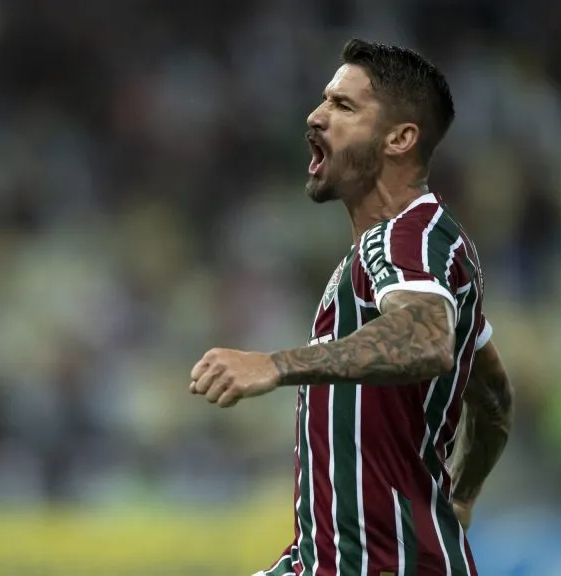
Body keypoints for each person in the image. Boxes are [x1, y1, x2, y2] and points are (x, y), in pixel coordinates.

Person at [188, 39, 514, 576]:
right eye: (323, 101)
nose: (315, 117)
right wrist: (464, 493)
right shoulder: (424, 247)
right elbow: (494, 397)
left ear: (400, 138)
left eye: (343, 106)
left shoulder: (406, 238)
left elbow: (427, 339)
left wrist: (274, 365)